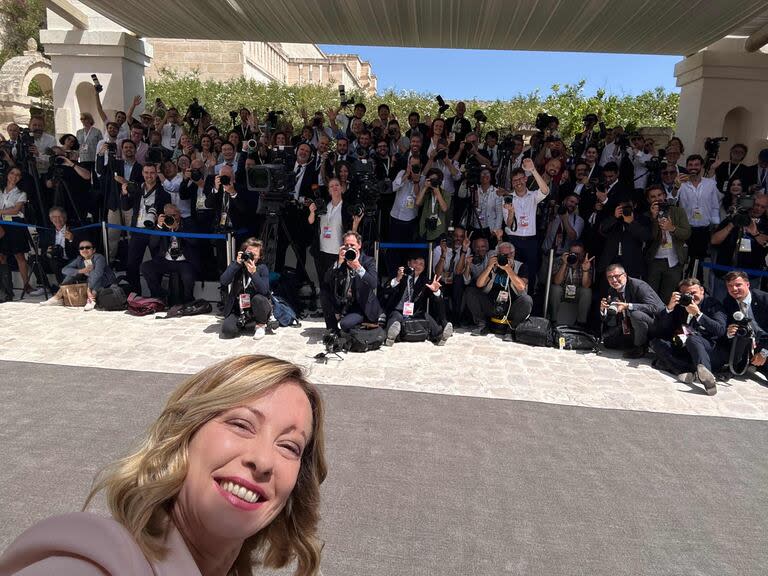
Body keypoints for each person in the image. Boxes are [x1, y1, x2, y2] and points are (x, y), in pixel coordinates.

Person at [0, 355, 327, 576]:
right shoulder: (95, 562)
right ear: (183, 435)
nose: (264, 460)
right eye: (241, 425)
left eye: (289, 446)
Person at [649, 278, 726, 395]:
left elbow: (720, 330)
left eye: (694, 293)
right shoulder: (681, 305)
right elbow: (662, 328)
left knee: (693, 339)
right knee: (657, 343)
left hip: (708, 350)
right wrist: (669, 308)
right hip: (684, 347)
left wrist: (698, 315)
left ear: (702, 290)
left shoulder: (714, 305)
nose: (691, 297)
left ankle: (707, 378)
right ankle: (689, 372)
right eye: (686, 294)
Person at [465, 241, 533, 337]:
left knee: (527, 300)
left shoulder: (521, 266)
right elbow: (479, 284)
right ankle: (482, 324)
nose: (504, 258)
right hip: (493, 305)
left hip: (512, 307)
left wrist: (508, 269)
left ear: (513, 254)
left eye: (507, 255)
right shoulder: (494, 267)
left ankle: (512, 329)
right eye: (502, 255)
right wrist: (489, 267)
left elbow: (521, 287)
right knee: (471, 292)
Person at [320, 231, 382, 335]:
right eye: (346, 245)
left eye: (352, 245)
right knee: (324, 292)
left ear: (359, 245)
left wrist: (358, 267)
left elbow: (374, 283)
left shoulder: (368, 261)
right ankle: (332, 329)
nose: (349, 248)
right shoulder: (342, 260)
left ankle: (365, 323)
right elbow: (326, 279)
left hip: (361, 306)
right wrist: (339, 262)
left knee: (345, 325)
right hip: (344, 302)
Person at [383, 255, 453, 346]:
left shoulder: (425, 281)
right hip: (398, 310)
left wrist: (436, 291)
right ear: (409, 263)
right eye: (415, 262)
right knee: (395, 318)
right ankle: (390, 337)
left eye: (421, 264)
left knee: (426, 317)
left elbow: (437, 301)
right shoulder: (399, 275)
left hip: (415, 312)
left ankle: (440, 336)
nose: (418, 266)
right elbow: (386, 290)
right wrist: (397, 279)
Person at [600, 263, 664, 358]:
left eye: (617, 276)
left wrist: (628, 306)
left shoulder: (639, 285)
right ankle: (636, 342)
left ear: (625, 275)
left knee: (636, 314)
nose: (614, 280)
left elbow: (657, 308)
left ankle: (640, 347)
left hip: (653, 324)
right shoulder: (612, 291)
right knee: (608, 342)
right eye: (610, 277)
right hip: (628, 326)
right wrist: (603, 310)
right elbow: (609, 319)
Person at [140, 204, 201, 304]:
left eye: (174, 215)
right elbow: (152, 244)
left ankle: (188, 301)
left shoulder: (188, 223)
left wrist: (178, 228)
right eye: (169, 216)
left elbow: (194, 241)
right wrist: (159, 226)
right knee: (146, 267)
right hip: (166, 260)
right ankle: (159, 295)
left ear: (179, 214)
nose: (172, 218)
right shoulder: (163, 225)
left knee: (188, 276)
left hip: (184, 261)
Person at [645, 184, 691, 303]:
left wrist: (672, 228)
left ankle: (666, 319)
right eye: (653, 197)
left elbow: (687, 233)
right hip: (654, 260)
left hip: (674, 261)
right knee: (651, 296)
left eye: (659, 195)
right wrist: (654, 218)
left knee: (669, 297)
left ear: (665, 195)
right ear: (648, 200)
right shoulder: (647, 215)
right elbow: (650, 237)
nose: (657, 199)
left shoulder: (678, 211)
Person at [219, 238, 273, 340]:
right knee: (228, 331)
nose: (250, 257)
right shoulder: (237, 265)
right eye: (248, 253)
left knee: (258, 298)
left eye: (254, 255)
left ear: (260, 257)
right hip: (239, 308)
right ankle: (245, 322)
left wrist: (253, 273)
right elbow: (224, 281)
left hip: (257, 307)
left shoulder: (262, 268)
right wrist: (236, 264)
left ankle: (260, 325)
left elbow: (264, 291)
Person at [39, 240, 116, 310]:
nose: (84, 250)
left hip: (105, 281)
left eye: (88, 247)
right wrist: (81, 271)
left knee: (94, 273)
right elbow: (64, 270)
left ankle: (91, 300)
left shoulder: (98, 257)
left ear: (93, 250)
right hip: (90, 283)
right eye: (82, 248)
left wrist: (89, 288)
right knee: (72, 274)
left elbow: (98, 274)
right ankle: (57, 297)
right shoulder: (80, 259)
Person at [719, 270, 768, 378]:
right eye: (730, 286)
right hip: (744, 345)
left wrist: (764, 352)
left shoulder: (764, 299)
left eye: (738, 285)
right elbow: (726, 327)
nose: (734, 289)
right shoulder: (728, 302)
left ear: (748, 284)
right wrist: (729, 331)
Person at [0, 166, 37, 296]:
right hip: (1, 224)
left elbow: (16, 210)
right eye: (12, 173)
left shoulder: (21, 192)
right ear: (7, 174)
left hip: (15, 224)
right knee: (2, 255)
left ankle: (26, 284)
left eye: (17, 175)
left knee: (19, 255)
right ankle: (6, 286)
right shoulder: (1, 189)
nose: (14, 176)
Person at [548, 242, 593, 327]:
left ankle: (581, 323)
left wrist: (585, 270)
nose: (575, 256)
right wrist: (565, 263)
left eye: (578, 254)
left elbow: (586, 286)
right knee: (555, 288)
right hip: (562, 291)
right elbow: (557, 282)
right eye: (573, 253)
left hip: (577, 292)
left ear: (583, 254)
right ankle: (553, 320)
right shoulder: (560, 261)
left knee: (587, 291)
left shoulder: (586, 263)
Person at [38, 206, 79, 284]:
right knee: (34, 259)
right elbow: (43, 250)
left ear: (65, 218)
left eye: (60, 216)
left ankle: (63, 288)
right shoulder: (48, 232)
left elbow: (83, 248)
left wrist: (71, 239)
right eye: (54, 217)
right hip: (55, 259)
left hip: (70, 258)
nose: (57, 219)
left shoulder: (74, 229)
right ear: (51, 219)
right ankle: (46, 286)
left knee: (57, 263)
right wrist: (47, 251)